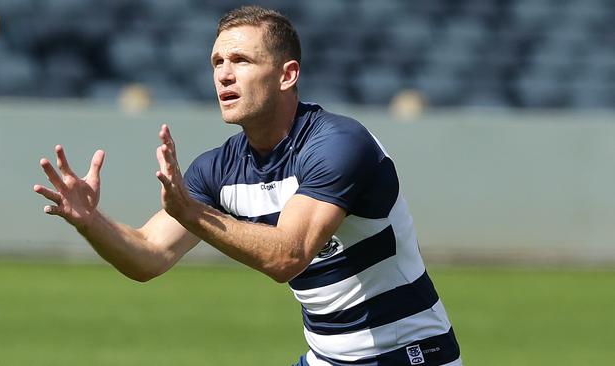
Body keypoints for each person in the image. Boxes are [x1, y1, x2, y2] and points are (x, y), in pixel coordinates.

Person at [34, 5, 462, 366]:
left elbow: (288, 256)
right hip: (325, 358)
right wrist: (90, 221)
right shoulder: (218, 168)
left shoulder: (339, 145)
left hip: (410, 354)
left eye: (241, 61)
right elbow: (148, 256)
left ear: (287, 74)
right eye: (217, 62)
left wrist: (194, 213)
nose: (223, 75)